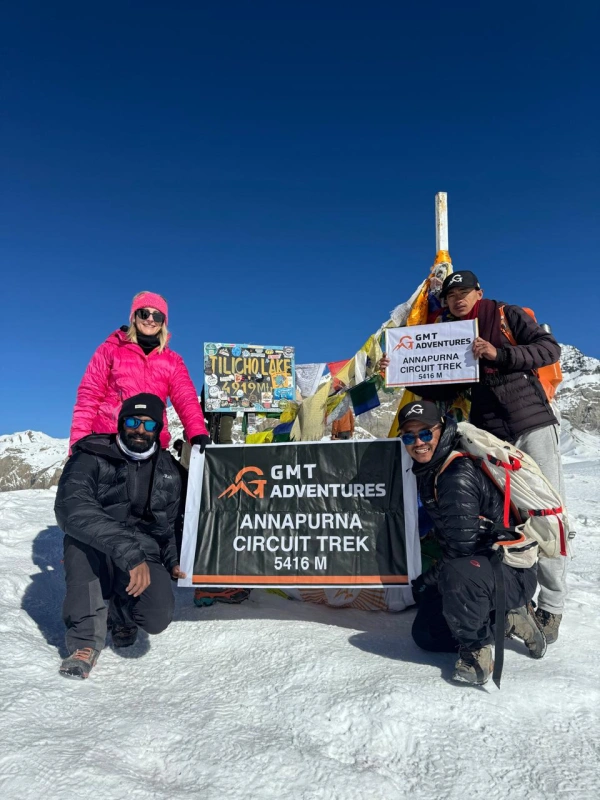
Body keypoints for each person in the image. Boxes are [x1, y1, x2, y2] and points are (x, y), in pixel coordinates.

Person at [383, 270, 567, 643]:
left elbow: (550, 349)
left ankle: (553, 605)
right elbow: (446, 389)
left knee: (546, 511)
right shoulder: (449, 334)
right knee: (506, 516)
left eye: (464, 292)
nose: (457, 300)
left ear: (478, 293)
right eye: (451, 296)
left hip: (530, 423)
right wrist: (403, 375)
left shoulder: (504, 314)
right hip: (490, 434)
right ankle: (517, 596)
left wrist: (498, 353)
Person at [399, 400, 546, 686]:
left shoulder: (455, 475)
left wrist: (426, 581)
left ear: (441, 430)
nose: (418, 442)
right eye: (409, 436)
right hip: (483, 571)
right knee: (426, 634)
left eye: (425, 433)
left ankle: (477, 651)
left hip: (507, 572)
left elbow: (460, 550)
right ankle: (507, 619)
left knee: (452, 576)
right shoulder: (433, 468)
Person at [55, 394, 185, 679]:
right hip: (95, 546)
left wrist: (174, 559)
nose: (140, 429)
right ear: (120, 423)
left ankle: (121, 614)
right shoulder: (90, 456)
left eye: (149, 424)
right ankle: (85, 643)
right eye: (132, 421)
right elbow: (71, 507)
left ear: (159, 429)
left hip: (143, 552)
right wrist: (128, 551)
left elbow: (173, 525)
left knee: (157, 615)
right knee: (79, 548)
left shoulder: (170, 470)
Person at [69, 290, 211, 453]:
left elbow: (186, 400)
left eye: (157, 316)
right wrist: (78, 442)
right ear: (134, 317)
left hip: (151, 441)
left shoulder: (173, 361)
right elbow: (89, 396)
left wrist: (198, 433)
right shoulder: (109, 349)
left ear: (163, 322)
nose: (150, 319)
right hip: (109, 441)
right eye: (144, 313)